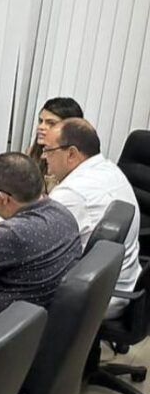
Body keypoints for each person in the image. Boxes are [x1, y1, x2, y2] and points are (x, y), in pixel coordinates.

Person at [0, 153, 81, 314]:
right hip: (40, 315)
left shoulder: (9, 235)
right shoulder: (62, 212)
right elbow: (23, 247)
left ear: (4, 197)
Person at [44, 118, 140, 317]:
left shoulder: (73, 193)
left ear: (71, 154)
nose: (44, 157)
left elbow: (33, 243)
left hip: (95, 298)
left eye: (48, 150)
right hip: (124, 285)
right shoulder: (108, 169)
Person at [27, 97, 84, 191]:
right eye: (40, 121)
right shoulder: (32, 152)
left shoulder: (77, 161)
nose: (41, 127)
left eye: (51, 123)